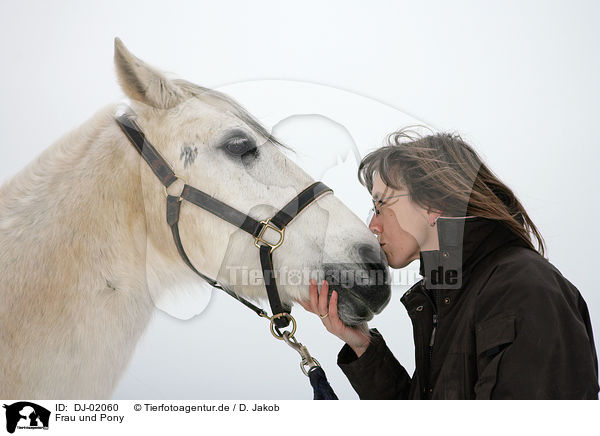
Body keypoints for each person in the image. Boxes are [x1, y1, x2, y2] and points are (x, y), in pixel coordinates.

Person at [298, 129, 599, 399]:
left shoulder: (525, 291)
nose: (373, 225)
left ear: (432, 205)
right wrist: (362, 345)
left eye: (381, 205)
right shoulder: (447, 299)